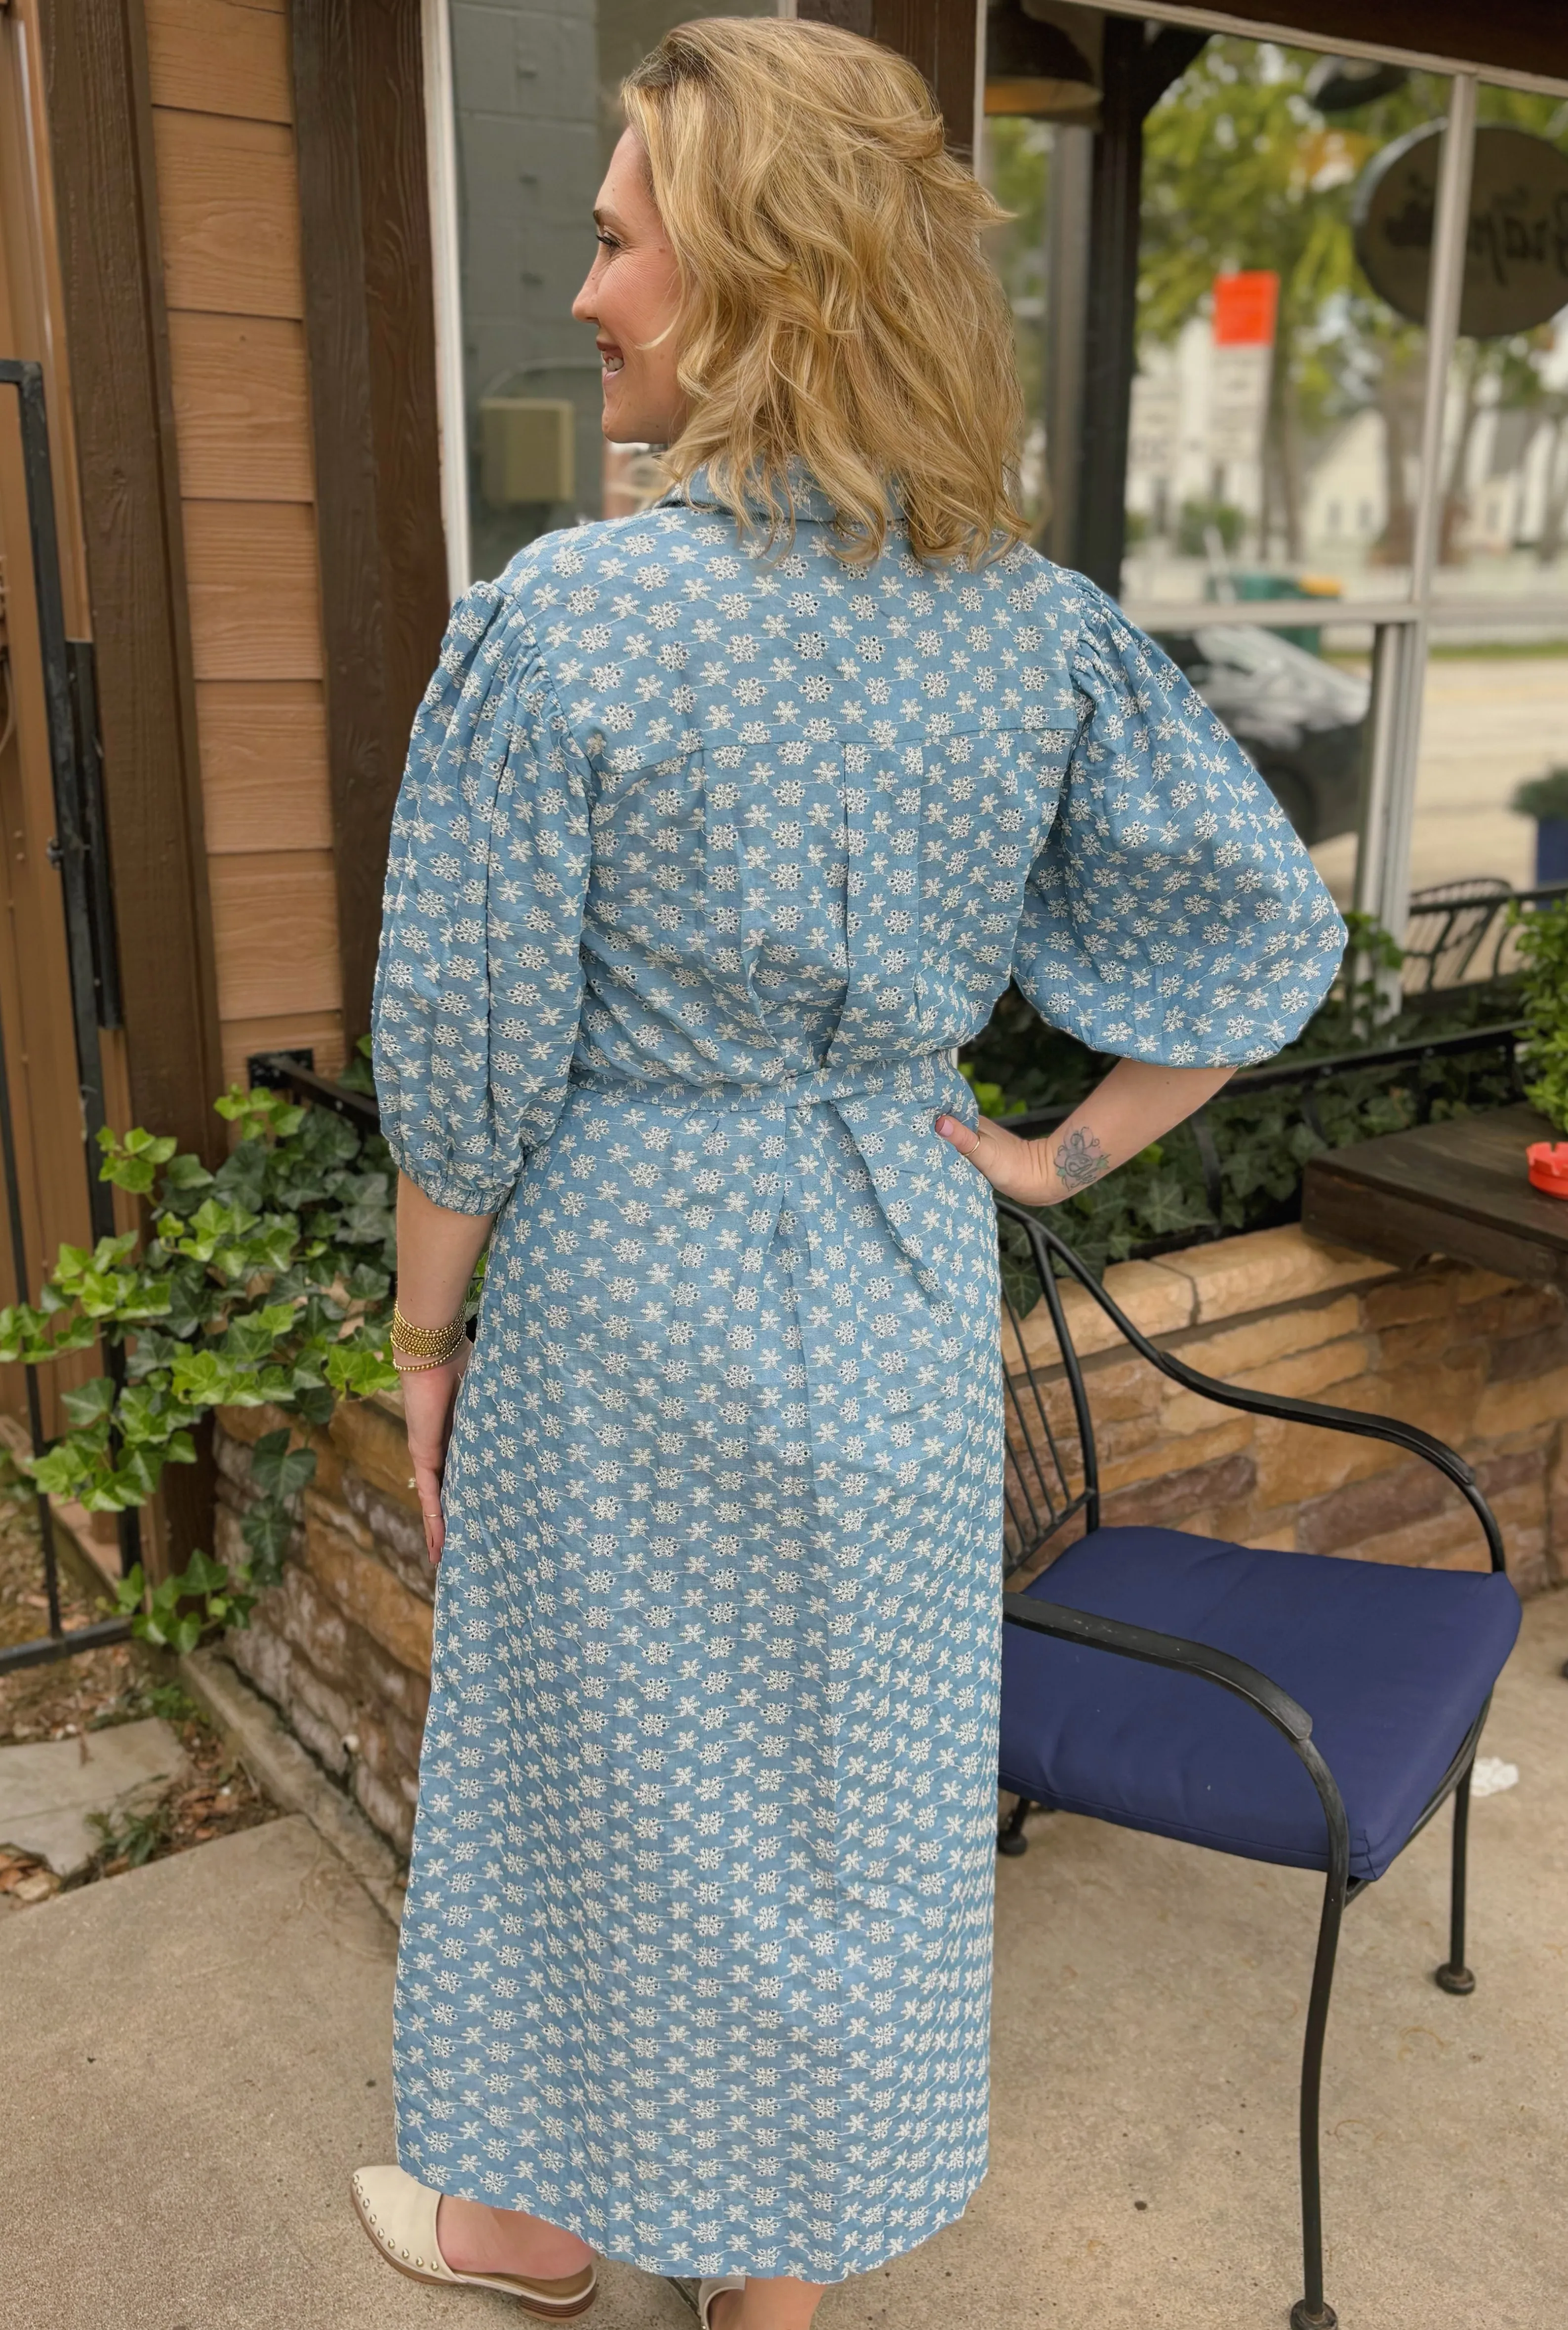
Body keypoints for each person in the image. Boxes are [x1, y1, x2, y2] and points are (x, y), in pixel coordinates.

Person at [351, 17, 1346, 2328]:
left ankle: (525, 2224)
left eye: (613, 241)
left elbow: (472, 1056)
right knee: (842, 1790)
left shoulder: (561, 623)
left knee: (585, 1774)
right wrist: (1052, 1154)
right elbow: (1262, 931)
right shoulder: (1028, 627)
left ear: (755, 270)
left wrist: (422, 1336)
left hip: (629, 1288)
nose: (582, 292)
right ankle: (773, 2282)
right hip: (898, 1270)